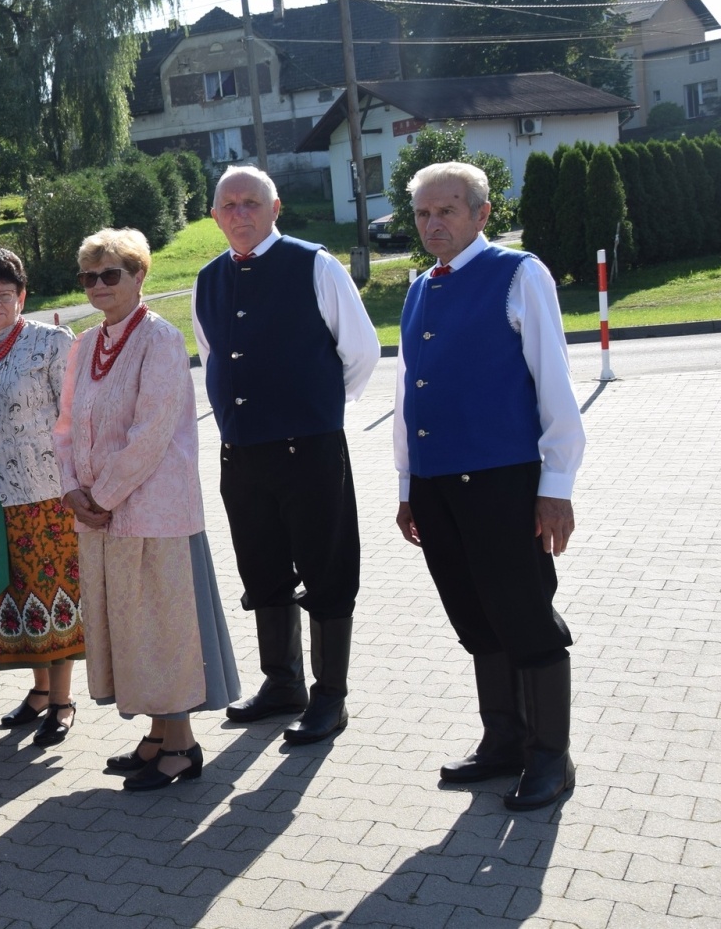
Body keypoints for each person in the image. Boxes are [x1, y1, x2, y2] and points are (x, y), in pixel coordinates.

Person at [395, 161, 584, 811]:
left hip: (503, 482)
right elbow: (406, 395)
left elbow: (554, 383)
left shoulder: (517, 273)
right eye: (422, 213)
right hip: (437, 486)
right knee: (476, 618)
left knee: (524, 614)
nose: (433, 223)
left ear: (482, 213)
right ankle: (503, 741)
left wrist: (555, 485)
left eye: (446, 210)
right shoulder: (420, 287)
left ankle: (550, 758)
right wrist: (405, 485)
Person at [191, 165, 380, 744]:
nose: (239, 214)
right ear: (216, 215)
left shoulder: (313, 263)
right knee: (261, 569)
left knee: (326, 571)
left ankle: (330, 696)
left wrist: (315, 407)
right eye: (228, 205)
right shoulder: (208, 278)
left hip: (309, 448)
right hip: (242, 452)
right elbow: (213, 354)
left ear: (276, 209)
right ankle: (282, 683)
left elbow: (362, 353)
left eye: (251, 203)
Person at [53, 228, 239, 791]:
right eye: (90, 276)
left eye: (112, 273)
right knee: (130, 628)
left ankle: (181, 744)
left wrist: (102, 496)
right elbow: (63, 426)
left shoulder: (158, 339)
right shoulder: (84, 344)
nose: (99, 285)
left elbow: (151, 431)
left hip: (153, 510)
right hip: (97, 515)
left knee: (162, 626)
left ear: (139, 276)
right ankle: (157, 734)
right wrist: (70, 490)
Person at [0, 248, 84, 748]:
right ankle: (39, 692)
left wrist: (76, 484)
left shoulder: (50, 343)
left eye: (4, 294)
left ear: (22, 296)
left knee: (51, 597)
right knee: (16, 599)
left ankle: (63, 700)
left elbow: (73, 421)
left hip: (44, 496)